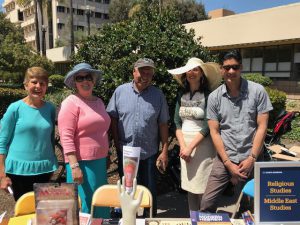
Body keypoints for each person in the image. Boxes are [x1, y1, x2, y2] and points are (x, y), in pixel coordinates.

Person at [200, 50, 273, 212]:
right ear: (221, 69)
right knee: (207, 203)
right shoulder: (214, 97)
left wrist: (252, 158)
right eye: (227, 68)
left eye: (235, 67)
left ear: (241, 67)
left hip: (252, 156)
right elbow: (215, 132)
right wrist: (227, 162)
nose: (231, 71)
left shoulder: (257, 91)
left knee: (252, 207)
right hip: (225, 158)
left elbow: (262, 126)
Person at [106, 58, 169, 216]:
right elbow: (112, 118)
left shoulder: (158, 95)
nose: (145, 75)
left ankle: (150, 219)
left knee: (149, 191)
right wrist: (116, 141)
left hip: (149, 153)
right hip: (126, 152)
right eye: (142, 71)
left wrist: (165, 150)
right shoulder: (120, 91)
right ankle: (128, 218)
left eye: (149, 72)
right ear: (134, 72)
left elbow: (163, 124)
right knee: (127, 190)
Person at [168, 58, 221, 211]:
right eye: (189, 70)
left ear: (202, 74)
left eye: (195, 69)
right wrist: (183, 147)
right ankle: (193, 218)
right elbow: (177, 122)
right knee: (190, 186)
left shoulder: (209, 95)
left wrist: (190, 147)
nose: (191, 73)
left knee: (204, 187)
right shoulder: (181, 94)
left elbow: (207, 125)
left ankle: (206, 218)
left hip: (203, 146)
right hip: (185, 145)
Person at [58, 63, 110, 218]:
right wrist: (74, 166)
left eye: (88, 77)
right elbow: (65, 137)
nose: (85, 81)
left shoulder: (99, 102)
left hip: (99, 162)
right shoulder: (70, 103)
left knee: (100, 201)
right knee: (86, 205)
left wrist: (106, 154)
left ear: (93, 80)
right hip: (81, 163)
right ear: (75, 82)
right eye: (80, 78)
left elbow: (101, 131)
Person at [0, 67, 58, 201]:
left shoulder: (50, 108)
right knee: (25, 211)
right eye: (34, 82)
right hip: (19, 172)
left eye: (42, 83)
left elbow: (50, 139)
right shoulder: (15, 108)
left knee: (44, 211)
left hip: (45, 169)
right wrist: (2, 175)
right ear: (26, 85)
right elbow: (2, 142)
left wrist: (52, 162)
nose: (38, 86)